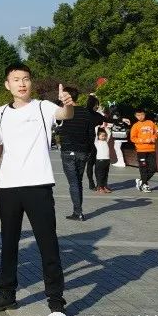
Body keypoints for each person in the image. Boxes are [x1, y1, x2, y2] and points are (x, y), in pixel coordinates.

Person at [0, 63, 74, 316]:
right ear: (7, 84)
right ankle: (7, 294)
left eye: (26, 79)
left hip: (38, 186)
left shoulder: (43, 107)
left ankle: (56, 301)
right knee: (9, 243)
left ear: (31, 82)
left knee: (47, 244)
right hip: (9, 187)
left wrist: (68, 104)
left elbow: (65, 115)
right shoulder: (0, 113)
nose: (21, 83)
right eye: (16, 79)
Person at [57, 87, 104, 221]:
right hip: (83, 152)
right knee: (78, 182)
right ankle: (78, 211)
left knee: (74, 183)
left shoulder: (63, 112)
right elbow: (91, 133)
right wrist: (89, 150)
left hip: (68, 151)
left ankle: (78, 212)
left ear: (67, 96)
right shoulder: (86, 113)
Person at [130, 109, 158, 193]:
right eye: (138, 115)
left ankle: (141, 181)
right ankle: (145, 185)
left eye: (142, 114)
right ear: (135, 116)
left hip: (151, 149)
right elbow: (132, 138)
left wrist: (154, 137)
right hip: (141, 150)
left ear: (145, 114)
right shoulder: (135, 125)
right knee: (143, 168)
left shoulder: (150, 123)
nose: (140, 117)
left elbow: (157, 131)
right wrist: (144, 141)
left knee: (153, 168)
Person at [94, 128, 112, 193]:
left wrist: (105, 128)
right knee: (100, 174)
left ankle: (105, 186)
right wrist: (97, 127)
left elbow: (109, 133)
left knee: (105, 174)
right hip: (100, 160)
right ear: (98, 136)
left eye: (104, 136)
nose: (104, 137)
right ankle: (100, 187)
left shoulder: (106, 141)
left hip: (107, 160)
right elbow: (95, 133)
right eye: (102, 136)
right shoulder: (96, 142)